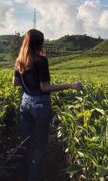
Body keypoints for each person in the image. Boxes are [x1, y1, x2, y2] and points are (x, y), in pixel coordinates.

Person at [12, 29, 83, 181]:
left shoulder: (19, 60)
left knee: (25, 141)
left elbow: (15, 83)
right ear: (40, 43)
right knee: (40, 144)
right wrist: (70, 85)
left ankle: (23, 174)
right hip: (40, 104)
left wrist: (28, 83)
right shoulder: (41, 61)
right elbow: (44, 88)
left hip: (25, 102)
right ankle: (32, 177)